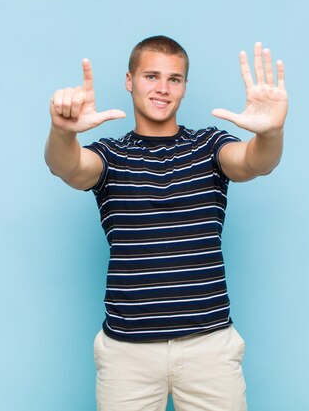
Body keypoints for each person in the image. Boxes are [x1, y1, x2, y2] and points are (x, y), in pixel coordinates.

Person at [45, 35, 287, 411]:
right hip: (128, 355)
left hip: (209, 349)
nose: (162, 88)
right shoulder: (110, 155)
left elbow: (255, 162)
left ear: (185, 87)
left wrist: (270, 133)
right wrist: (62, 132)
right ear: (129, 81)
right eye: (151, 76)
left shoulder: (209, 146)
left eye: (174, 79)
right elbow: (69, 167)